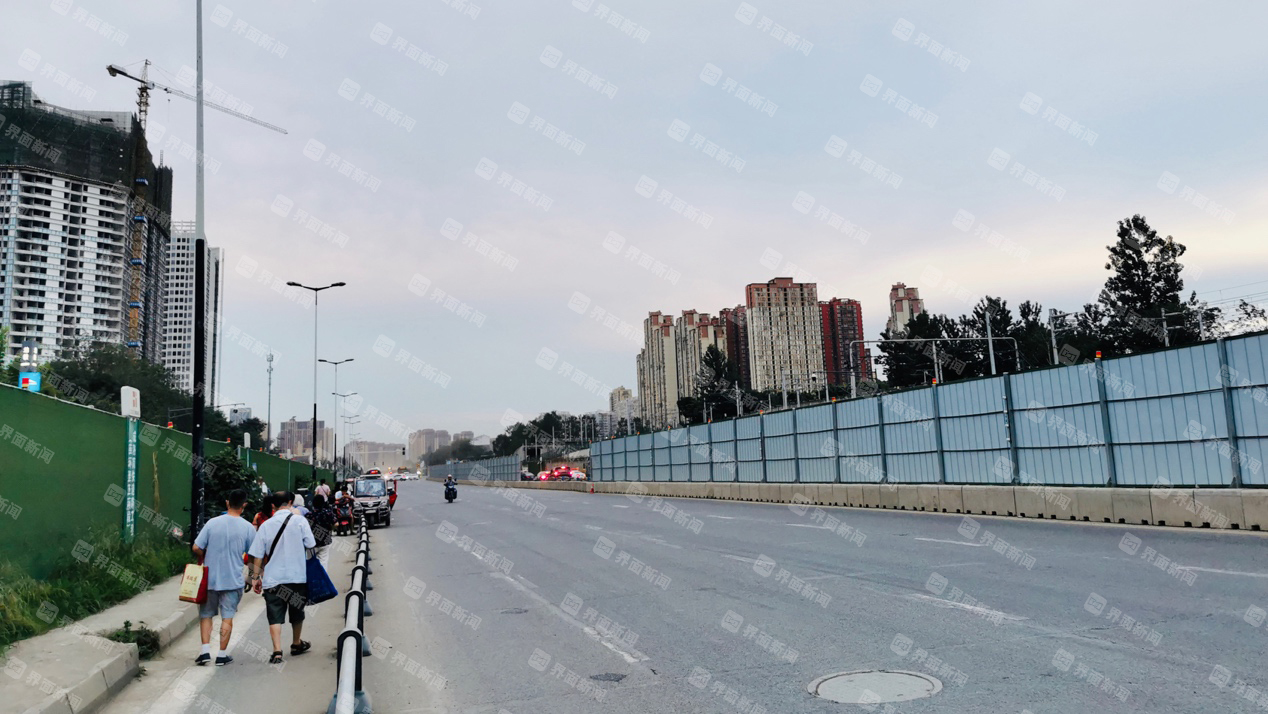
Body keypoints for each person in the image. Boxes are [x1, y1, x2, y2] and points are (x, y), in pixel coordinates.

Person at [248, 491, 316, 665]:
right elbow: (311, 544)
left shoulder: (265, 525)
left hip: (273, 579)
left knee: (274, 615)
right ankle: (296, 643)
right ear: (290, 502)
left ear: (273, 505)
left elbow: (257, 555)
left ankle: (277, 651)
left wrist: (255, 577)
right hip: (296, 576)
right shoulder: (300, 521)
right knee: (297, 611)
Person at [191, 489, 255, 666]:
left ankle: (205, 652)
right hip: (233, 580)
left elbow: (196, 547)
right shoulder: (248, 527)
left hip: (209, 579)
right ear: (244, 505)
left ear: (227, 503)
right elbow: (253, 555)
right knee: (227, 616)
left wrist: (205, 555)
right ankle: (221, 655)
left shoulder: (212, 523)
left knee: (206, 614)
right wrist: (252, 577)